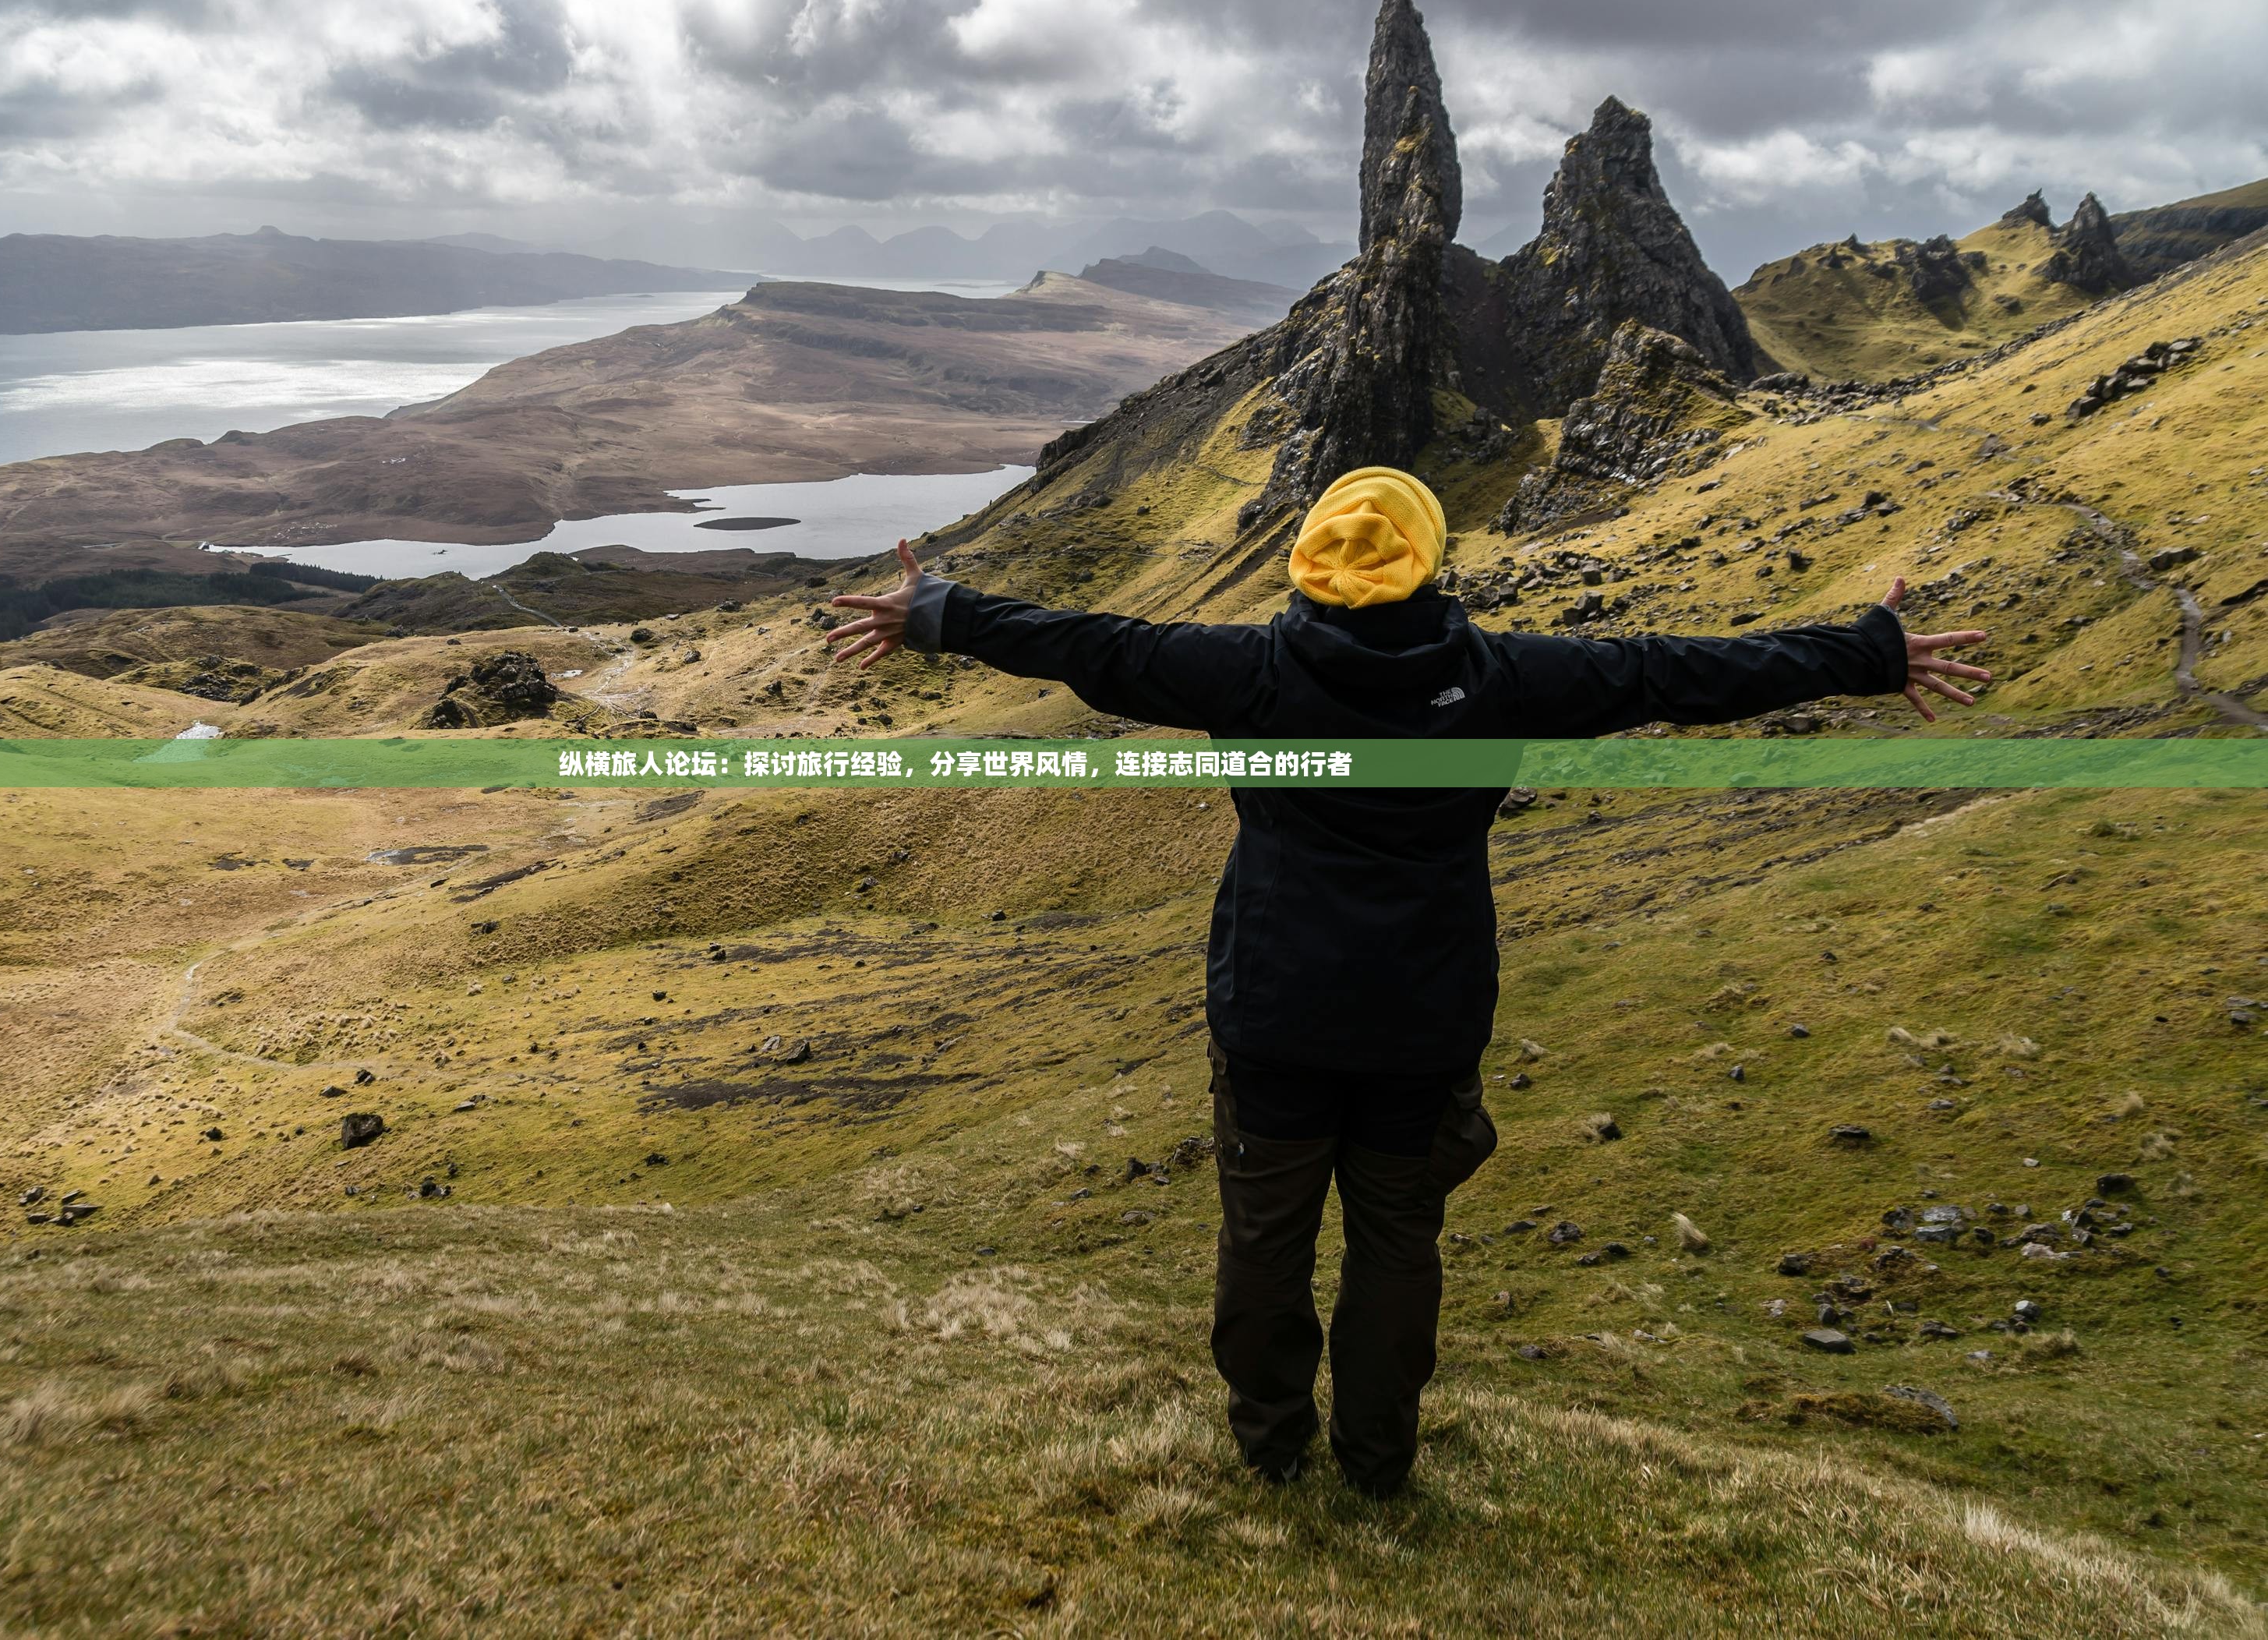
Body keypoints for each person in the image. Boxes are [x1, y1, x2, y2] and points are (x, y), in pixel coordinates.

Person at [825, 466, 1992, 1496]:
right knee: (1395, 1242)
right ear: (1432, 561)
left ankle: (1270, 1446)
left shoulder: (1247, 671)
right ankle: (1377, 1464)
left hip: (1274, 1012)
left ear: (1307, 565)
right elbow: (1672, 674)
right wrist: (1865, 651)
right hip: (1422, 1020)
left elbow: (1100, 647)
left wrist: (943, 611)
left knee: (1264, 1238)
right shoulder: (1497, 676)